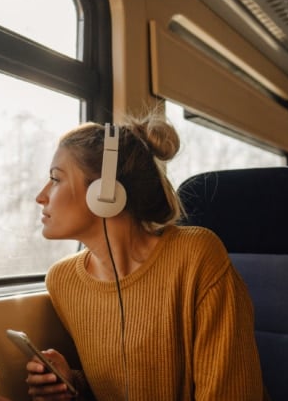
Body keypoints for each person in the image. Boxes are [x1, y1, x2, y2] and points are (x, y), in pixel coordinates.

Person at [28, 110, 264, 400]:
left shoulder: (197, 255)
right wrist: (72, 385)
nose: (41, 196)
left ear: (104, 191)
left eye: (55, 179)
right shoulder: (63, 280)